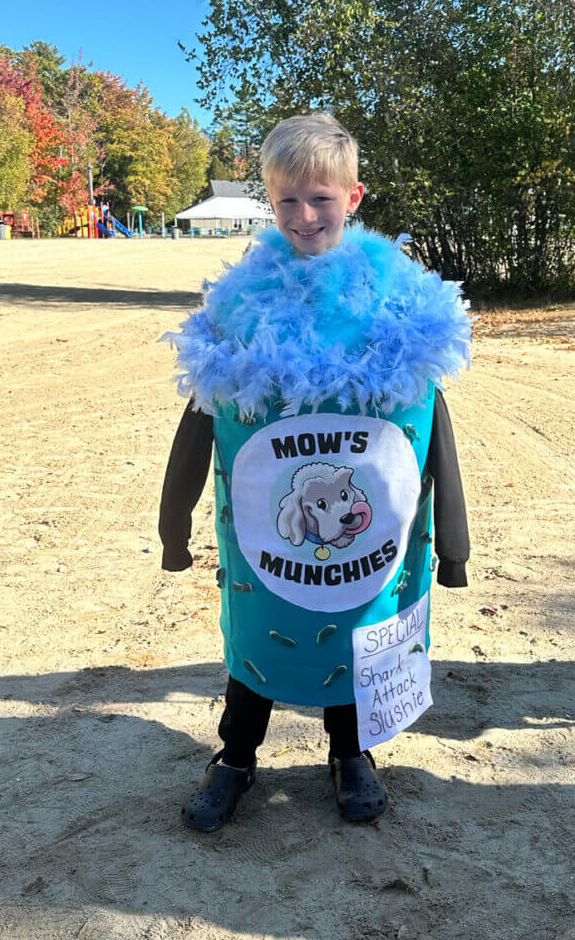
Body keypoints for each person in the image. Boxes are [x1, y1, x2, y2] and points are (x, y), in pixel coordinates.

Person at [159, 113, 471, 830]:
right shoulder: (240, 303)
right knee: (262, 624)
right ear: (270, 203)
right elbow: (203, 412)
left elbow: (432, 423)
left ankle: (350, 752)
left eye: (321, 199)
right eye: (288, 201)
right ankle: (235, 757)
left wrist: (453, 546)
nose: (305, 216)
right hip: (268, 524)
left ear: (353, 197)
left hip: (363, 523)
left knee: (353, 619)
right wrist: (173, 528)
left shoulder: (398, 297)